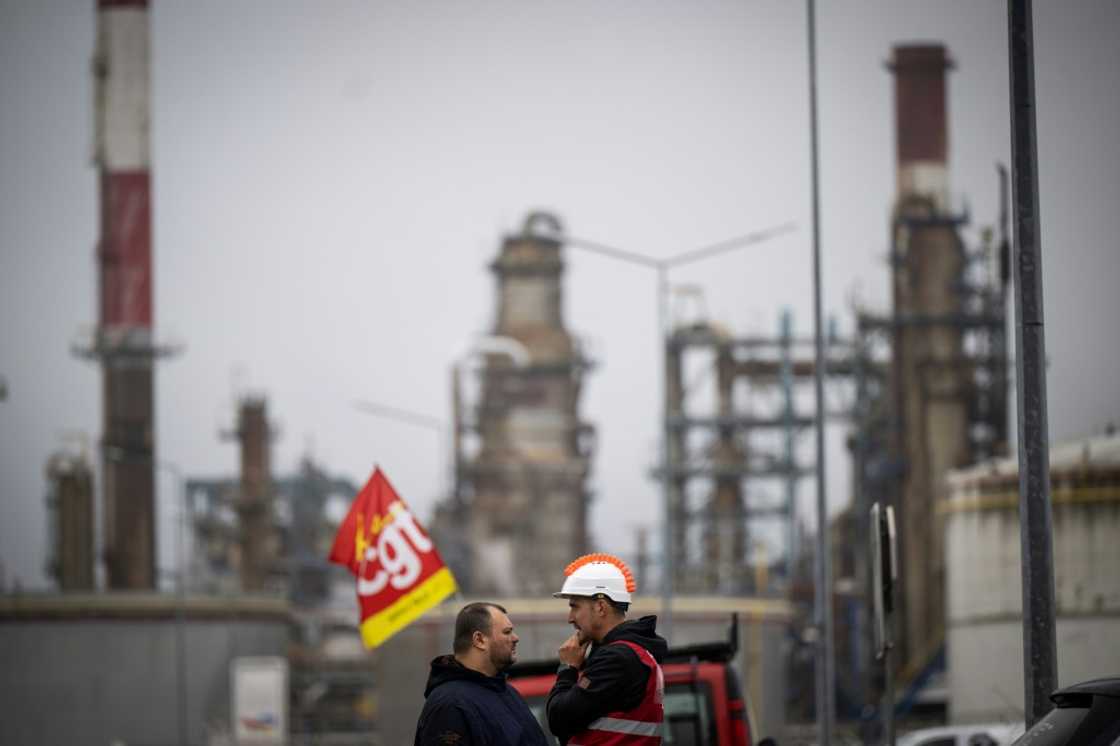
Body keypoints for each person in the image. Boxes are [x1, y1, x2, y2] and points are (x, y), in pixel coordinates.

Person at [546, 553, 668, 745]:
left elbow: (559, 719)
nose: (570, 617)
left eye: (575, 607)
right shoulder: (634, 652)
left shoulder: (617, 658)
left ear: (601, 607)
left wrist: (567, 668)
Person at [415, 602, 549, 746]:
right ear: (479, 640)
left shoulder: (506, 691)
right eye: (507, 632)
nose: (516, 638)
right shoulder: (450, 705)